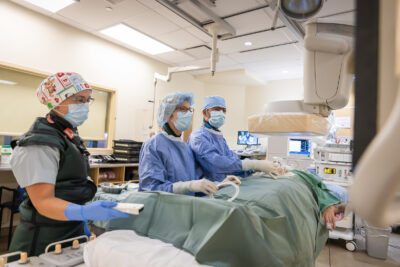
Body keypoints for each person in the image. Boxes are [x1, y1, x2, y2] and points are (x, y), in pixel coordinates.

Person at [9, 72, 129, 257]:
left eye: (88, 100)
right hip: (42, 238)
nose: (85, 106)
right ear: (56, 101)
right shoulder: (40, 143)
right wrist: (83, 212)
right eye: (79, 99)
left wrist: (82, 222)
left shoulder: (68, 136)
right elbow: (44, 202)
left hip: (70, 231)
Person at [188, 95, 287, 183]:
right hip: (206, 191)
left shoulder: (219, 137)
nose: (221, 113)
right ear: (205, 112)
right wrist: (255, 164)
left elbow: (232, 161)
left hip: (223, 184)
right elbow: (216, 164)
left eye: (224, 110)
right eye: (217, 109)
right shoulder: (198, 137)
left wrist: (260, 168)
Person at [139, 92, 220, 196]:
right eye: (182, 109)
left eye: (189, 110)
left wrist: (219, 184)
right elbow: (151, 189)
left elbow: (197, 184)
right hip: (165, 209)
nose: (188, 113)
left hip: (186, 207)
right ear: (167, 114)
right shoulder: (153, 145)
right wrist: (187, 186)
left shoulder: (186, 148)